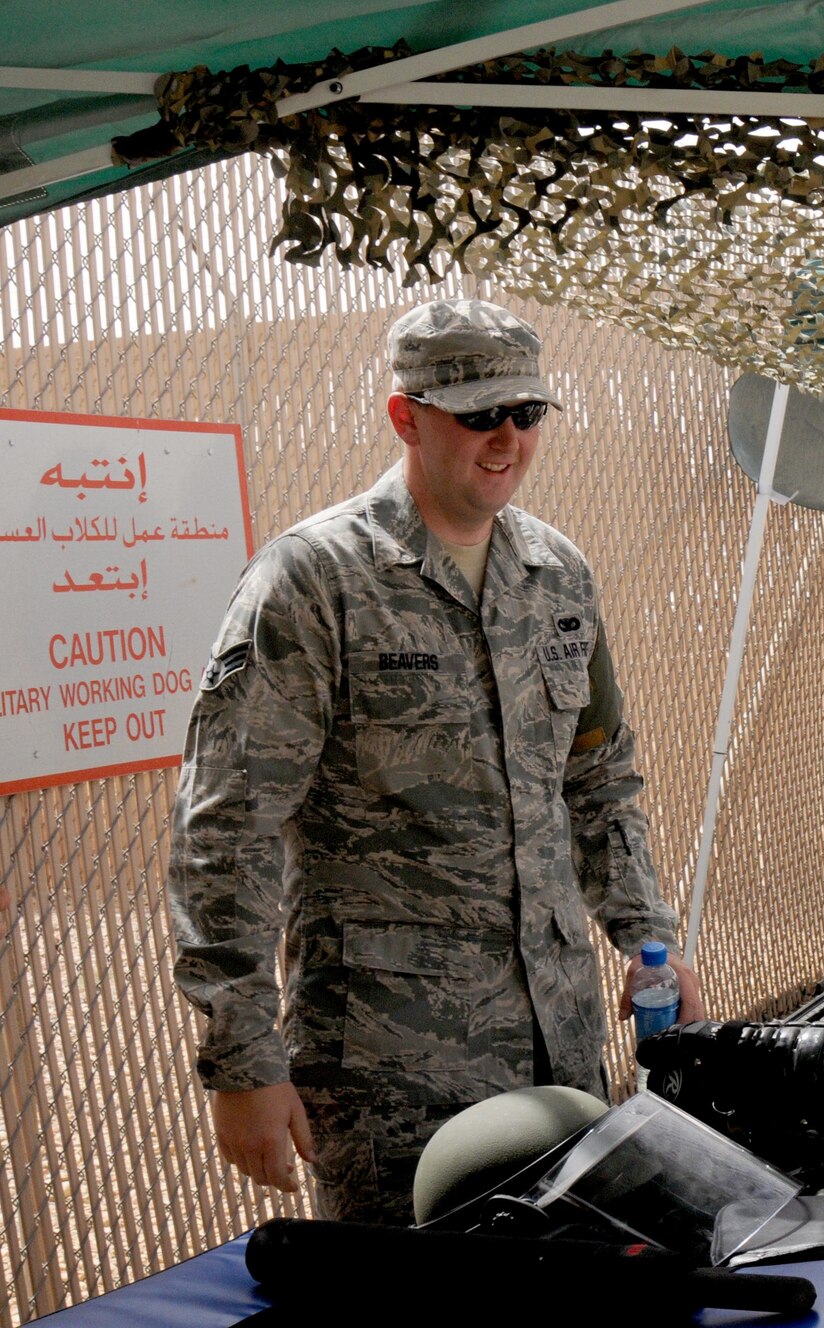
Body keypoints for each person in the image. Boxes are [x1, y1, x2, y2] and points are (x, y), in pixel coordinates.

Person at [167, 298, 703, 1224]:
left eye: (526, 415)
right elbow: (227, 827)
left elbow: (599, 778)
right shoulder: (314, 581)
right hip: (392, 1062)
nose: (506, 440)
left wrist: (646, 936)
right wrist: (244, 1065)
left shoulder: (558, 577)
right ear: (406, 417)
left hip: (557, 1039)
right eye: (478, 416)